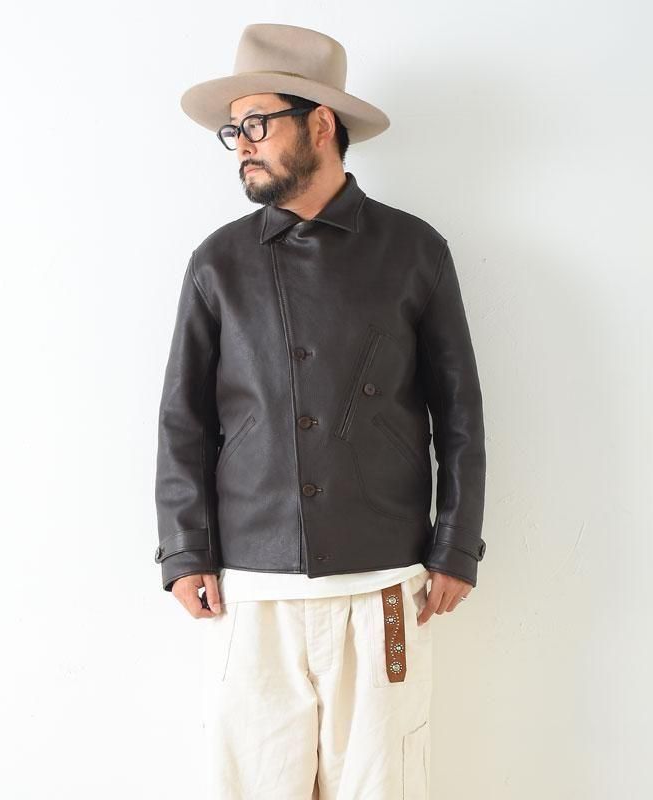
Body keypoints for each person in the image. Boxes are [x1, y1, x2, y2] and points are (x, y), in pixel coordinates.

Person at [154, 23, 487, 799]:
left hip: (383, 585)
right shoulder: (217, 263)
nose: (241, 146)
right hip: (250, 591)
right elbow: (184, 419)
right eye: (233, 131)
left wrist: (456, 546)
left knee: (381, 785)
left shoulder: (415, 251)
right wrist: (184, 550)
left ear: (321, 123)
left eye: (257, 124)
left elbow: (460, 411)